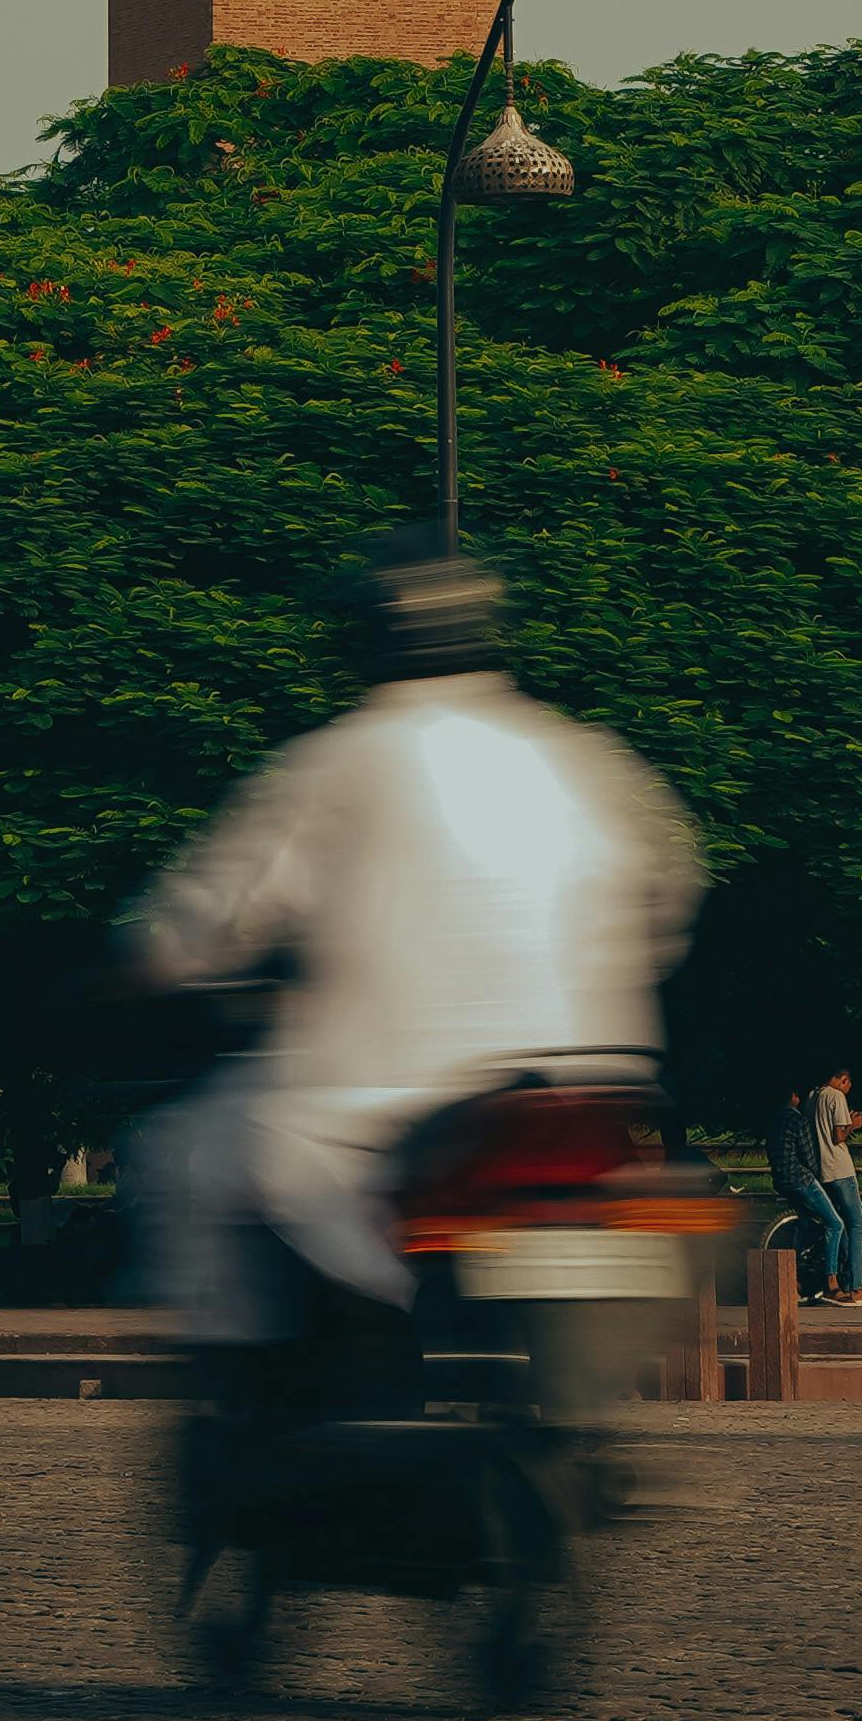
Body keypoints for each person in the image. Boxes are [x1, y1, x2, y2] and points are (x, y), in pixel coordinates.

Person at [119, 532, 705, 1345]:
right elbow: (666, 897)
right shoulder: (581, 759)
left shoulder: (334, 762)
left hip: (378, 1108)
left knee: (189, 1150)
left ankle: (246, 1387)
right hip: (590, 1090)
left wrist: (138, 969)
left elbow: (200, 928)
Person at [765, 1069, 862, 1304]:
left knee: (809, 1224)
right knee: (841, 1223)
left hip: (781, 1179)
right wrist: (853, 1124)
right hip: (811, 1176)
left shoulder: (794, 1108)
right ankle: (838, 1283)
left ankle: (796, 1278)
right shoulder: (807, 1113)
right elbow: (823, 1145)